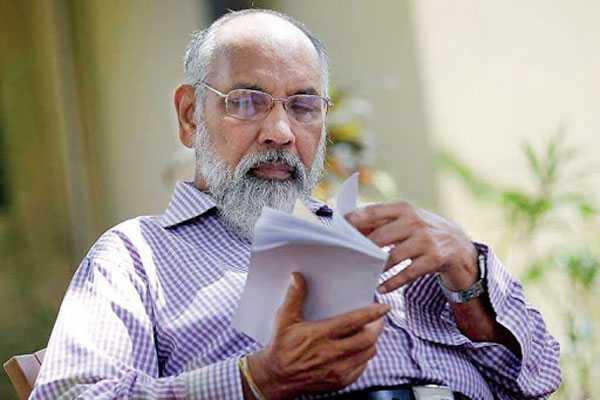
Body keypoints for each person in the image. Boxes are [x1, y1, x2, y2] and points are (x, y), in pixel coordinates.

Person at [30, 9, 560, 400]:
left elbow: (540, 379)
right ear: (191, 116)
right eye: (246, 102)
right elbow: (68, 396)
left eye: (304, 105)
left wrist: (469, 281)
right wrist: (256, 380)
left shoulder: (391, 234)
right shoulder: (137, 255)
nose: (281, 131)